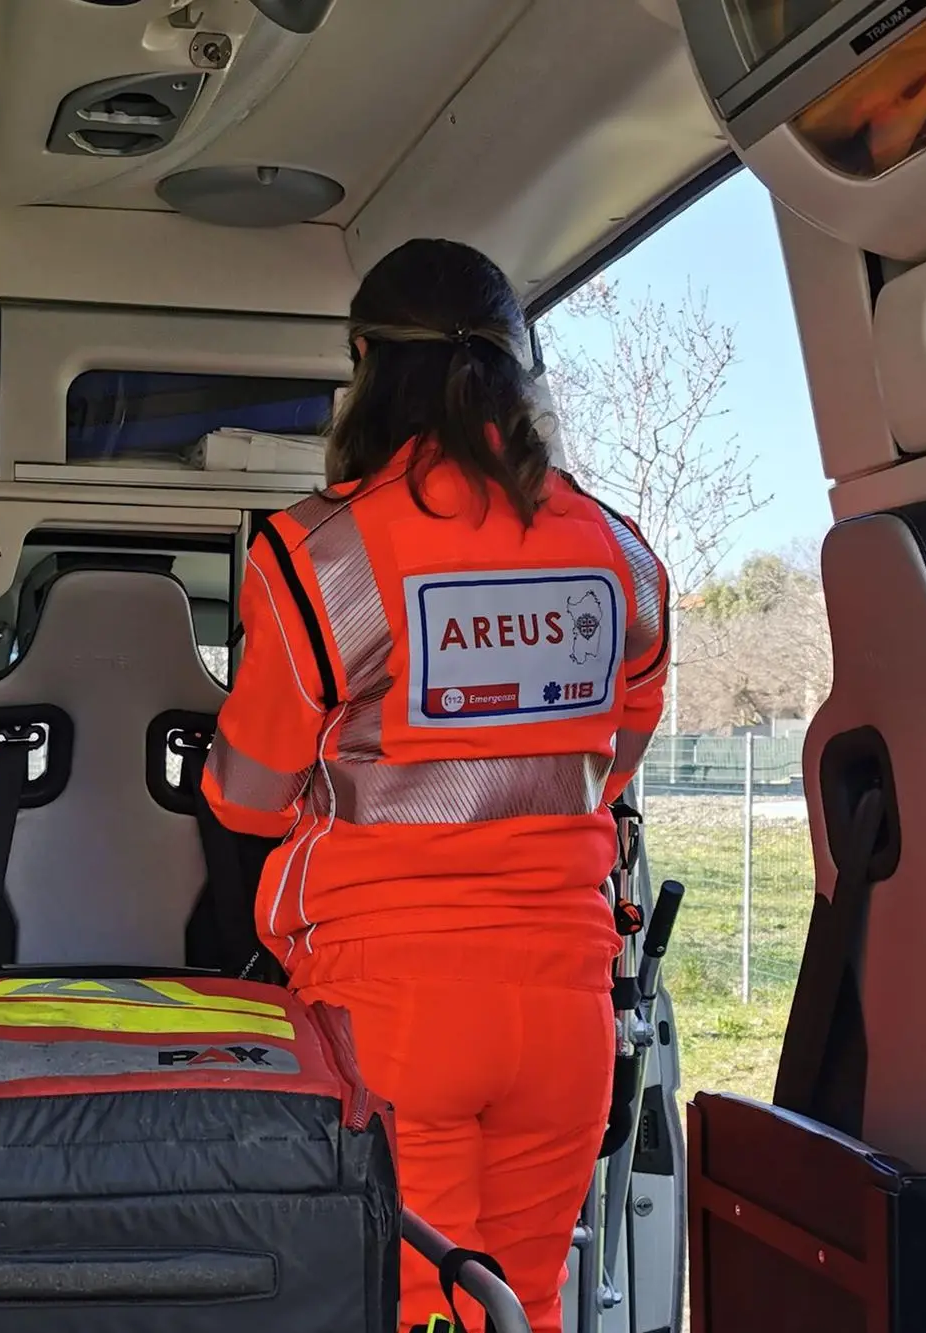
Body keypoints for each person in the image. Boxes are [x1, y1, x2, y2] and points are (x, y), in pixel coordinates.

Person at [201, 238, 670, 1333]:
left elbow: (247, 795)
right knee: (527, 1303)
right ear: (516, 371)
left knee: (413, 1309)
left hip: (393, 1005)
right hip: (564, 1008)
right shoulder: (617, 552)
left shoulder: (321, 557)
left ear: (364, 361)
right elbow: (612, 761)